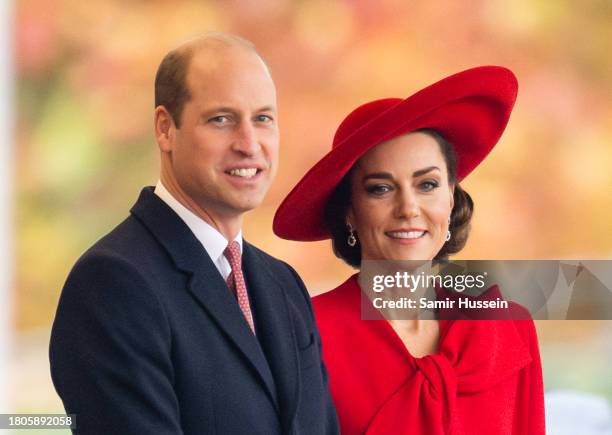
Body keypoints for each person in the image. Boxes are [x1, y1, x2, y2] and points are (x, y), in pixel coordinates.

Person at [49, 33, 339, 435]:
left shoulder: (283, 284)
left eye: (263, 118)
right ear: (165, 128)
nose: (249, 143)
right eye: (221, 119)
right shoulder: (113, 283)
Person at [273, 66, 545, 434]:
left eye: (427, 184)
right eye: (380, 189)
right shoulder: (303, 335)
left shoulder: (507, 329)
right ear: (349, 210)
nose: (408, 208)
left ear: (451, 198)